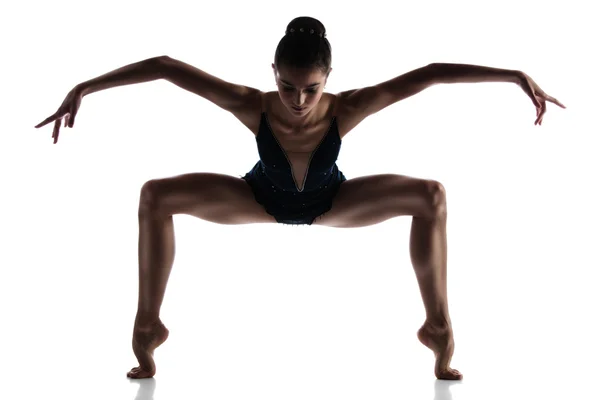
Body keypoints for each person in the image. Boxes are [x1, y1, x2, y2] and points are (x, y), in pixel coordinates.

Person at [35, 16, 565, 381]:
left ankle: (437, 325)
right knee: (156, 195)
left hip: (332, 203)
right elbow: (166, 66)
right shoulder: (252, 105)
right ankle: (148, 325)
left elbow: (427, 76)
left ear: (328, 79)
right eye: (288, 87)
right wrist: (84, 86)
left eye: (310, 88)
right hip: (256, 198)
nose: (298, 101)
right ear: (274, 75)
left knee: (431, 196)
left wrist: (513, 75)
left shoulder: (347, 107)